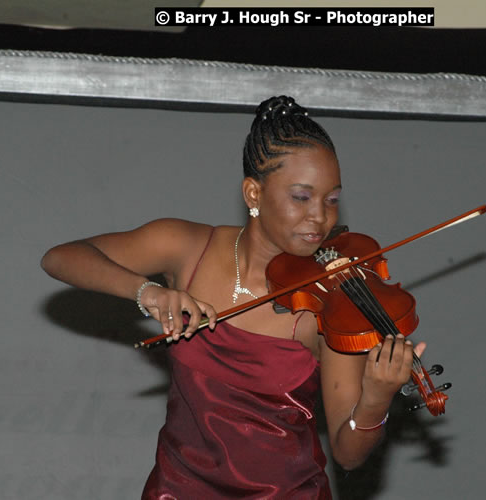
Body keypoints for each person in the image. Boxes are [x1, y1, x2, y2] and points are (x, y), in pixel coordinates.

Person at [41, 95, 425, 499]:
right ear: (254, 194)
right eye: (301, 197)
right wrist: (146, 291)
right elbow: (61, 258)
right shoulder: (188, 247)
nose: (320, 217)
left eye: (331, 200)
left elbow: (348, 454)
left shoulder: (330, 305)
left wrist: (376, 399)